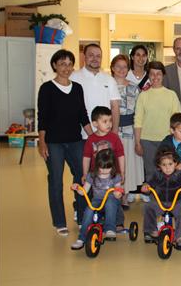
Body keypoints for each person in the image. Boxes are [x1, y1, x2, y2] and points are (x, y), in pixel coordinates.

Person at [37, 49, 93, 235]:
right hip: (54, 143)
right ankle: (59, 221)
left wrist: (94, 138)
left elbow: (83, 116)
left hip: (76, 141)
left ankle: (82, 212)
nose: (66, 68)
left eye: (69, 64)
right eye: (62, 64)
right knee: (56, 181)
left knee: (83, 177)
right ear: (54, 65)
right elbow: (42, 117)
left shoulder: (77, 88)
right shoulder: (47, 88)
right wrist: (42, 142)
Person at [134, 60, 181, 198]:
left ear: (163, 75)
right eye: (152, 74)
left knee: (168, 173)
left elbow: (177, 120)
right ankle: (155, 202)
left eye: (158, 74)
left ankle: (168, 201)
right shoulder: (143, 95)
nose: (155, 77)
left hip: (167, 141)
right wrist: (137, 142)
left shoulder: (171, 95)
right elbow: (138, 120)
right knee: (151, 173)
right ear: (148, 75)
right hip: (147, 141)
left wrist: (177, 141)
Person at [141, 148, 181, 250]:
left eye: (170, 164)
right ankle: (151, 230)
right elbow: (149, 184)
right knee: (148, 207)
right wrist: (146, 187)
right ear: (159, 166)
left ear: (175, 163)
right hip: (159, 202)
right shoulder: (156, 174)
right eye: (164, 165)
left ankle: (180, 237)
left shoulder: (180, 174)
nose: (167, 168)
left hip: (176, 202)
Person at [82, 106, 125, 229]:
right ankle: (99, 218)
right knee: (97, 199)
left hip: (113, 175)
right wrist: (85, 174)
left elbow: (121, 155)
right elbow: (86, 157)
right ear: (95, 123)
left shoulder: (114, 138)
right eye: (105, 121)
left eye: (110, 121)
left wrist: (122, 172)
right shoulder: (91, 139)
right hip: (97, 177)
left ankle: (118, 221)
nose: (109, 124)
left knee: (115, 199)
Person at [70, 149, 123, 250]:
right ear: (97, 165)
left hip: (111, 199)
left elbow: (118, 190)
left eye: (108, 168)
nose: (104, 171)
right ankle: (81, 239)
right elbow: (84, 191)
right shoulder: (92, 175)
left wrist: (118, 193)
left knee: (110, 201)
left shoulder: (116, 176)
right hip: (97, 200)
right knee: (89, 210)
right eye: (101, 167)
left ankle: (110, 229)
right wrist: (78, 188)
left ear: (112, 166)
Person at [110, 54, 144, 208]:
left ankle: (125, 195)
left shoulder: (134, 87)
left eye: (124, 67)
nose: (121, 70)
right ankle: (113, 194)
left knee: (127, 163)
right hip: (111, 131)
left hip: (130, 131)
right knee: (113, 164)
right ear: (112, 68)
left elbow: (139, 112)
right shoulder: (107, 85)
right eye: (118, 67)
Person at [71, 43, 121, 138]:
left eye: (98, 56)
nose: (95, 58)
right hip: (80, 136)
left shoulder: (109, 79)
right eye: (91, 55)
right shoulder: (74, 77)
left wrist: (114, 132)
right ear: (84, 56)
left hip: (105, 134)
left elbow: (115, 107)